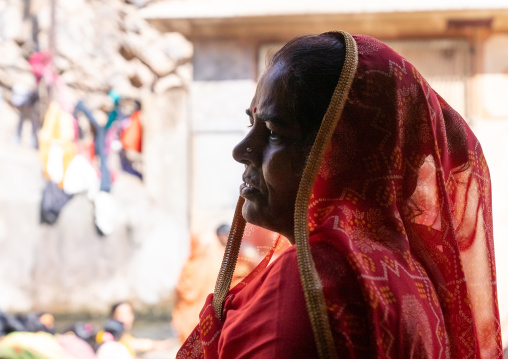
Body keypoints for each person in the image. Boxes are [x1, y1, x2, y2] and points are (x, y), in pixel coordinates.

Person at [177, 31, 502, 358]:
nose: (241, 150)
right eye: (251, 125)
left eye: (274, 133)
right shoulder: (402, 273)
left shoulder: (314, 278)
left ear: (342, 156)